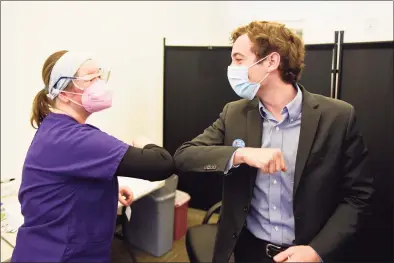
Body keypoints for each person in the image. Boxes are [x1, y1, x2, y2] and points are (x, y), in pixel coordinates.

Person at [174, 21, 374, 263]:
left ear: (271, 62)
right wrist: (241, 154)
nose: (231, 68)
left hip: (307, 253)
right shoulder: (234, 113)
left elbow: (359, 197)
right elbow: (184, 156)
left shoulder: (338, 117)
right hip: (247, 249)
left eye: (238, 59)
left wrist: (316, 251)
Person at [11, 50, 175, 262]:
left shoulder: (56, 128)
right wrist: (143, 142)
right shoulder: (73, 139)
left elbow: (66, 183)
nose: (100, 84)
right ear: (63, 92)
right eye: (91, 78)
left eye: (100, 76)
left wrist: (105, 190)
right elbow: (161, 164)